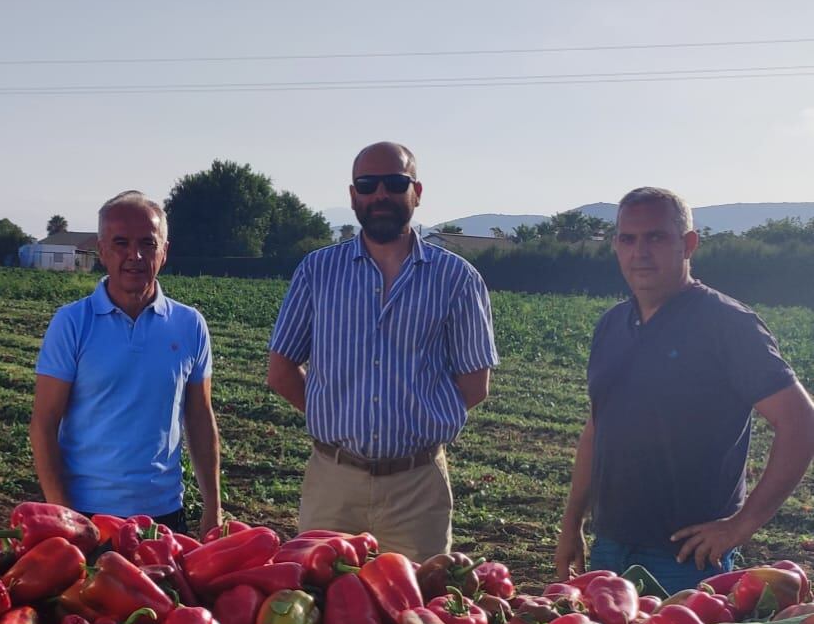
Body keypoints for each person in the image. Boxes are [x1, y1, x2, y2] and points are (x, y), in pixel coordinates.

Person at [556, 187, 814, 593]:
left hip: (686, 561)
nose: (640, 251)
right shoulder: (611, 326)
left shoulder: (727, 325)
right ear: (616, 246)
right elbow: (596, 428)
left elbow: (801, 423)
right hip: (609, 548)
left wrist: (740, 526)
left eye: (656, 237)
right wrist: (572, 524)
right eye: (628, 239)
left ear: (688, 244)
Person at [266, 142, 496, 561]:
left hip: (417, 487)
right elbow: (281, 370)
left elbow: (474, 384)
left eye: (394, 183)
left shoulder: (457, 278)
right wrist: (334, 413)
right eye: (368, 185)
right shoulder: (317, 271)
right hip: (332, 482)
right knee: (319, 611)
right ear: (353, 195)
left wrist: (416, 422)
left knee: (420, 616)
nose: (380, 195)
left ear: (417, 191)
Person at [30, 191, 222, 533]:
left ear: (164, 252)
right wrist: (64, 516)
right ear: (102, 251)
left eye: (147, 244)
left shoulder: (190, 324)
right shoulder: (73, 323)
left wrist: (213, 507)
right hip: (89, 515)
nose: (134, 255)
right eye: (121, 243)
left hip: (163, 515)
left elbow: (200, 418)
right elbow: (44, 424)